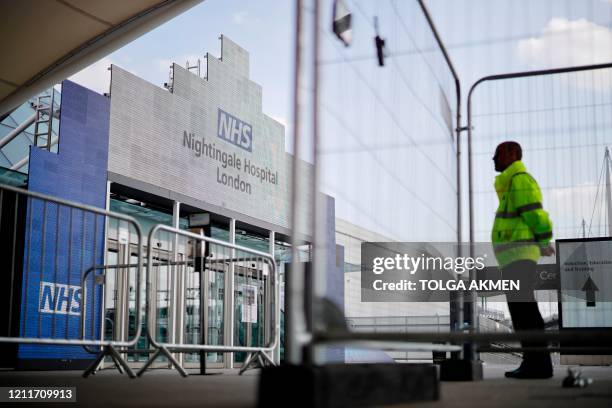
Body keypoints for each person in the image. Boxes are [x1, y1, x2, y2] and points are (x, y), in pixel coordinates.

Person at [491, 141, 554, 379]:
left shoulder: (520, 180)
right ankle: (535, 362)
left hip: (519, 256)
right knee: (522, 311)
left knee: (524, 311)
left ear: (511, 154)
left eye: (497, 154)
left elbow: (536, 213)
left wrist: (544, 241)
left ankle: (537, 364)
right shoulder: (511, 184)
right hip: (513, 257)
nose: (493, 159)